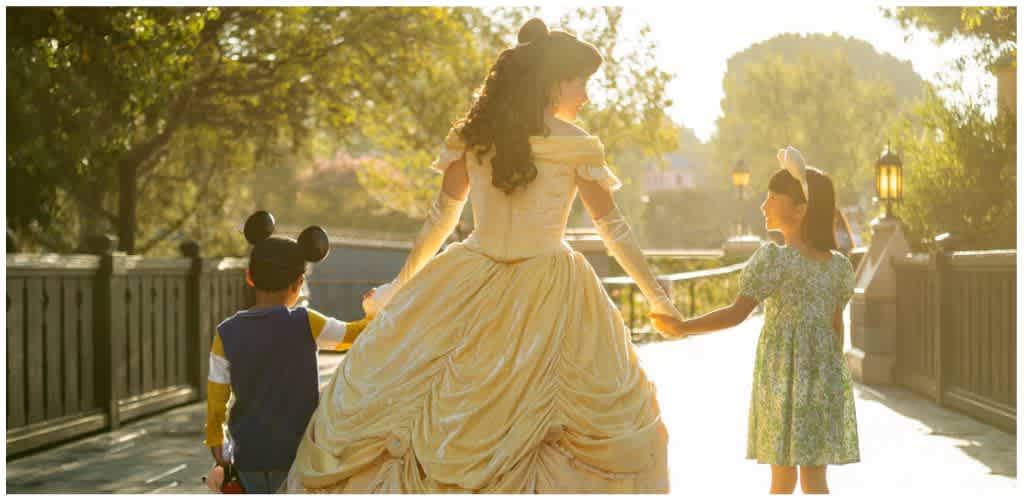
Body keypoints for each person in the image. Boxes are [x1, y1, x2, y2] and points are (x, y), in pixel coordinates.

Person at [283, 18, 684, 493]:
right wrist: (658, 298)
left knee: (420, 404)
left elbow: (440, 219)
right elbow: (612, 228)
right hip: (550, 289)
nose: (587, 96)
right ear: (555, 81)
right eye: (582, 81)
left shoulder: (475, 136)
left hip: (470, 277)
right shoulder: (575, 144)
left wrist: (398, 288)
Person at [652, 147, 859, 494]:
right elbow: (837, 331)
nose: (763, 206)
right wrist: (830, 382)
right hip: (822, 381)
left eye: (772, 198)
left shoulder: (774, 260)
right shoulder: (838, 266)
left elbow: (736, 314)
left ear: (800, 209)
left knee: (781, 479)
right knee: (815, 478)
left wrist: (682, 327)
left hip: (781, 378)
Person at [204, 211, 371, 493]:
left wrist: (215, 439)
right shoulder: (306, 322)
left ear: (249, 277)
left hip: (249, 454)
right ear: (299, 283)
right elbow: (352, 335)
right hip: (297, 452)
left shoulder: (226, 332)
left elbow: (216, 396)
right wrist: (374, 310)